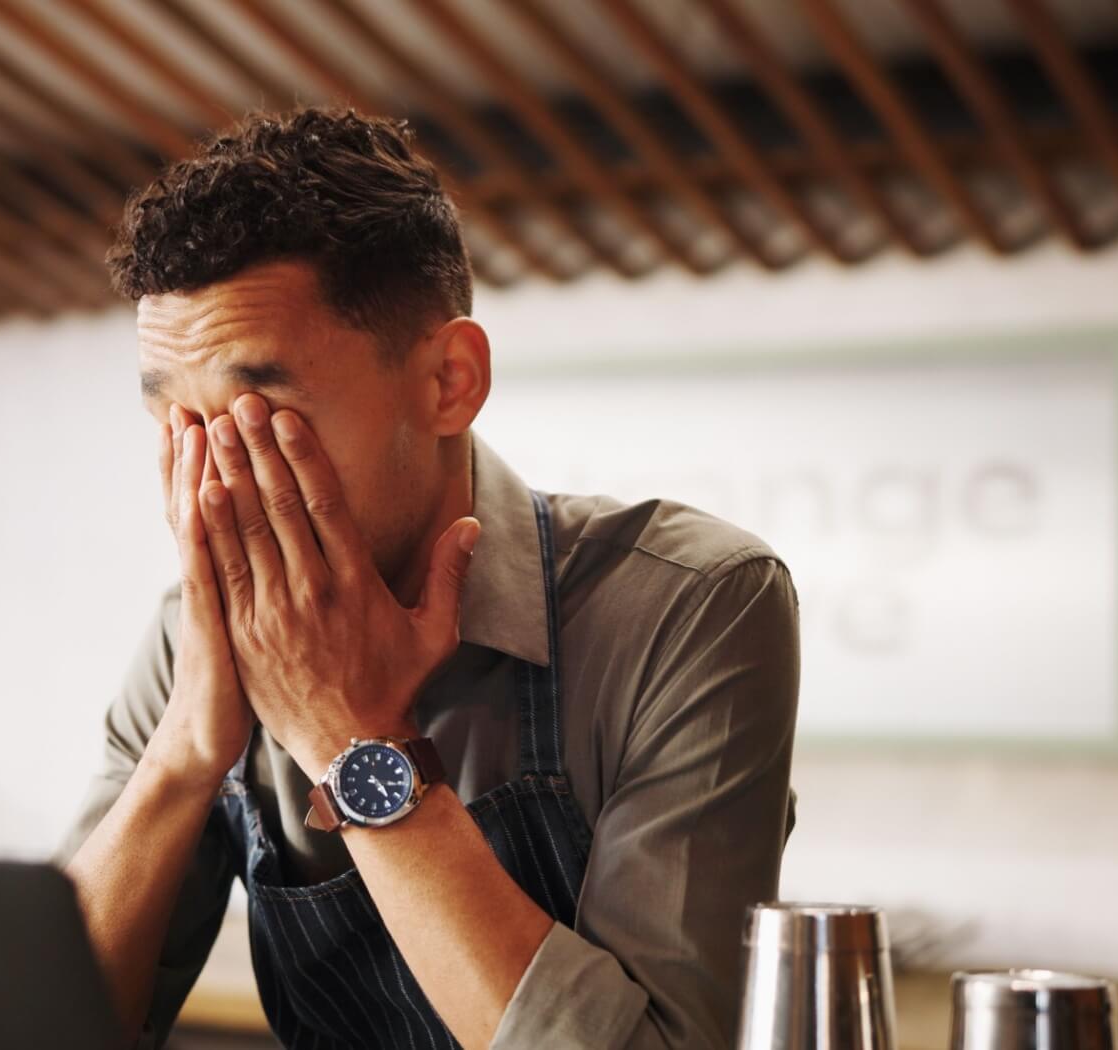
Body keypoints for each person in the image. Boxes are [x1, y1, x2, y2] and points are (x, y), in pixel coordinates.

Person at [56, 106, 800, 1050]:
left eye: (261, 417)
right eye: (179, 427)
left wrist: (350, 734)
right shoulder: (189, 636)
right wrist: (180, 761)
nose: (217, 484)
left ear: (451, 380)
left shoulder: (690, 605)